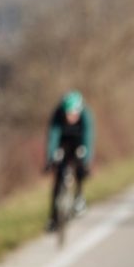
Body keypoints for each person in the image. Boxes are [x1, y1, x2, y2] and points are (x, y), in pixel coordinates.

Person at [45, 90, 95, 231]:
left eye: (73, 114)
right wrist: (50, 159)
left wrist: (86, 161)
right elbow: (53, 136)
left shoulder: (86, 115)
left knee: (80, 165)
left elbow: (88, 138)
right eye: (68, 113)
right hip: (63, 142)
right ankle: (53, 218)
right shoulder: (57, 114)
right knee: (58, 175)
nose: (70, 117)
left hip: (78, 141)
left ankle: (79, 197)